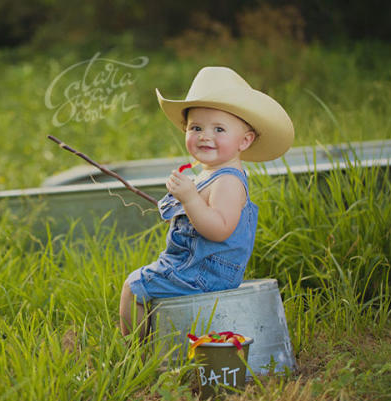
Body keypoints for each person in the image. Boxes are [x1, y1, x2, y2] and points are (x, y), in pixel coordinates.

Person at [119, 66, 294, 339]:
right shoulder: (208, 174)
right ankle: (161, 342)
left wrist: (189, 198)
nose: (205, 136)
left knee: (135, 286)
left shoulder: (229, 181)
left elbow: (220, 229)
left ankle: (134, 354)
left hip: (206, 272)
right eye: (196, 127)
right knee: (145, 284)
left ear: (245, 141)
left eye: (219, 129)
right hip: (195, 265)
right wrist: (182, 196)